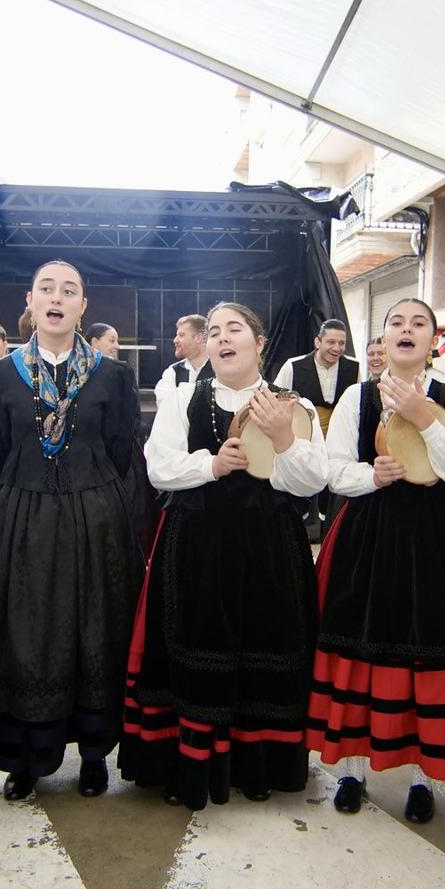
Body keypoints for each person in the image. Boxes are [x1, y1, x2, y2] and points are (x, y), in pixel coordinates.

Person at [121, 302, 325, 809]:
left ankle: (258, 765)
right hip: (197, 547)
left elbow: (313, 480)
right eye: (213, 332)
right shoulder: (184, 398)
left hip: (270, 548)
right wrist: (211, 465)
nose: (221, 338)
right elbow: (158, 468)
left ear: (259, 343)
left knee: (266, 646)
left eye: (234, 329)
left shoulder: (289, 405)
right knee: (196, 647)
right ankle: (191, 765)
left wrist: (281, 440)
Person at [0, 260, 144, 800]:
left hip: (97, 521)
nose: (57, 297)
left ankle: (94, 756)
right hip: (23, 519)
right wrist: (29, 492)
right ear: (30, 300)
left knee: (96, 630)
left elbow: (122, 452)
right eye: (47, 288)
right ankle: (30, 757)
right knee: (28, 633)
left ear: (82, 307)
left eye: (70, 291)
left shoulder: (113, 375)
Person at [308, 298, 445, 822]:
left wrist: (424, 421)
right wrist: (372, 475)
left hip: (428, 536)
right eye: (396, 323)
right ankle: (351, 771)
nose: (406, 330)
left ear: (434, 339)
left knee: (424, 647)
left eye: (419, 323)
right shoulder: (356, 397)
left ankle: (423, 778)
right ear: (382, 338)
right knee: (358, 647)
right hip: (365, 532)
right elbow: (332, 471)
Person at [273, 318, 354, 536]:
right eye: (331, 342)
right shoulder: (292, 366)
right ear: (317, 341)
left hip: (338, 440)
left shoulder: (353, 367)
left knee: (334, 495)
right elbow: (279, 399)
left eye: (341, 343)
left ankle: (331, 532)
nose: (336, 348)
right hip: (303, 438)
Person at [153, 314, 213, 415]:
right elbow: (166, 408)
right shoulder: (172, 372)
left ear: (198, 338)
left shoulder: (219, 370)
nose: (175, 340)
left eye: (181, 335)